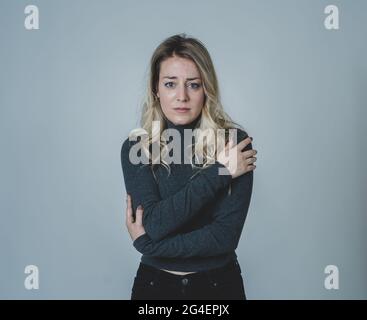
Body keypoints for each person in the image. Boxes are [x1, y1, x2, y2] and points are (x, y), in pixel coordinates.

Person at [120, 33, 257, 300]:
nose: (182, 96)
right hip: (154, 289)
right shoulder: (138, 147)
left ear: (206, 89)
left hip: (219, 288)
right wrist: (221, 171)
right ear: (155, 89)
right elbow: (155, 223)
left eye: (193, 85)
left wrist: (149, 245)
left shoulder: (235, 144)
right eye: (170, 84)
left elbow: (223, 239)